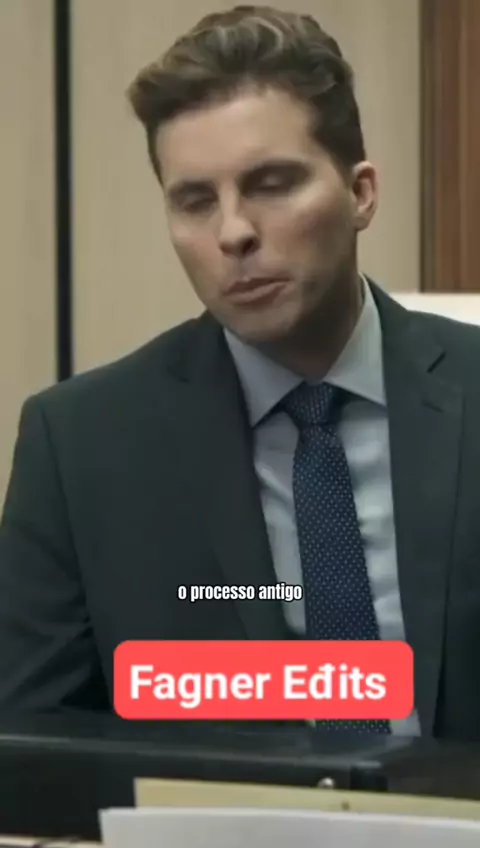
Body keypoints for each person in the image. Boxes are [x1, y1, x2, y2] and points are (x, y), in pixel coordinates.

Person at [0, 5, 479, 740]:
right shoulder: (81, 445)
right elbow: (35, 745)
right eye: (196, 201)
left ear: (360, 194)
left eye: (273, 183)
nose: (233, 233)